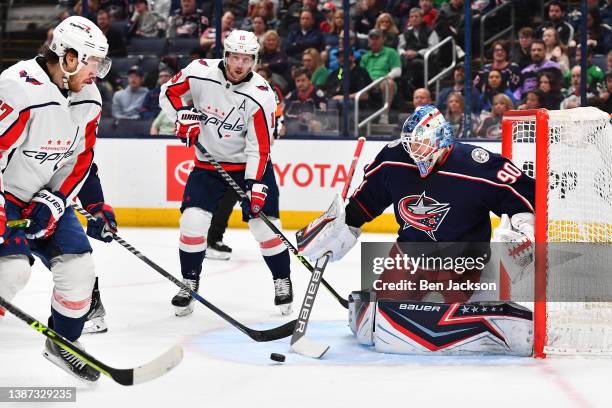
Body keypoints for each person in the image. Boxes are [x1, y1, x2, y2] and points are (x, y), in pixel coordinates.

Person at [297, 104, 535, 304]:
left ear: (441, 139)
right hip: (410, 256)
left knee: (466, 319)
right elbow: (366, 202)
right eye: (410, 143)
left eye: (421, 143)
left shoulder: (476, 166)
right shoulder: (394, 159)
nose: (414, 151)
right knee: (386, 310)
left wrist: (524, 225)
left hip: (465, 262)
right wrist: (341, 227)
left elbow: (523, 196)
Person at [0, 16, 118, 382]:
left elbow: (81, 158)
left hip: (45, 197)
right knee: (12, 271)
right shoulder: (19, 89)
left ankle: (64, 343)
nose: (97, 71)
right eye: (93, 62)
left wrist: (57, 202)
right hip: (6, 194)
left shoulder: (90, 98)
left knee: (79, 269)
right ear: (68, 58)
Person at [159, 30, 294, 316]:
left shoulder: (262, 95)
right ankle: (189, 282)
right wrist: (181, 117)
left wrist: (256, 185)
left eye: (247, 59)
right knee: (192, 222)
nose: (240, 65)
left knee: (264, 226)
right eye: (235, 57)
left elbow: (259, 147)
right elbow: (168, 94)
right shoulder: (198, 72)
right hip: (208, 167)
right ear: (225, 55)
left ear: (254, 61)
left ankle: (282, 279)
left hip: (249, 166)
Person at [360, 29, 402, 124]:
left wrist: (385, 77)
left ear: (382, 39)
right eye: (372, 38)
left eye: (377, 38)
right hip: (368, 82)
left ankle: (384, 115)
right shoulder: (365, 56)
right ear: (368, 40)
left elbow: (397, 70)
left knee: (388, 83)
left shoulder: (391, 52)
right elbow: (361, 72)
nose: (374, 41)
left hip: (383, 80)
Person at [283, 67, 328, 134]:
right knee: (282, 127)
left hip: (317, 123)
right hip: (296, 122)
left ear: (310, 81)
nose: (300, 83)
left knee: (315, 124)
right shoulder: (292, 95)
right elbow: (283, 111)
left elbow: (323, 114)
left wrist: (310, 119)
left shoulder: (318, 95)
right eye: (298, 81)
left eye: (303, 80)